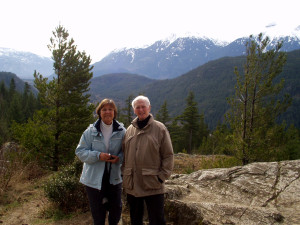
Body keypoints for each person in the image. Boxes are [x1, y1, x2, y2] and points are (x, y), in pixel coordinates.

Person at [122, 95, 174, 225]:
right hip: (132, 185)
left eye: (143, 106)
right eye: (137, 107)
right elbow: (124, 154)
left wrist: (161, 177)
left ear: (149, 108)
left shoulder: (160, 128)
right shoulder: (129, 130)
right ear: (134, 110)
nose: (141, 110)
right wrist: (124, 174)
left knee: (157, 220)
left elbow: (168, 155)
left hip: (153, 184)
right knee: (135, 220)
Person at [76, 99, 126, 225]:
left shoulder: (122, 131)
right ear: (99, 112)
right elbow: (80, 152)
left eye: (110, 109)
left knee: (115, 211)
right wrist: (98, 156)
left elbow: (127, 152)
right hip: (94, 179)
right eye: (104, 110)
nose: (107, 112)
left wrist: (119, 158)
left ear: (114, 112)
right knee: (98, 214)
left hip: (114, 178)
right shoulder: (90, 131)